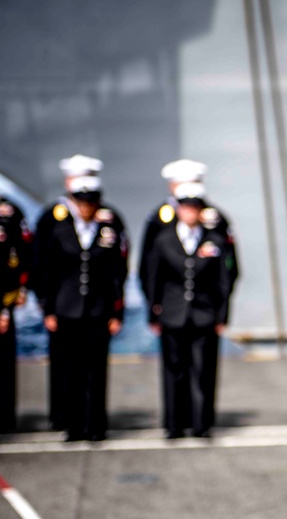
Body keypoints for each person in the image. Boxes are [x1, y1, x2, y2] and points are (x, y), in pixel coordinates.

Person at [36, 170, 128, 442]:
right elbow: (48, 272)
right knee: (70, 370)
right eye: (81, 200)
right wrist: (48, 309)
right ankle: (73, 426)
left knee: (96, 370)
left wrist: (116, 311)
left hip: (98, 311)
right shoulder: (60, 230)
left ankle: (96, 425)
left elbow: (117, 274)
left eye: (91, 200)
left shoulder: (108, 230)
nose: (87, 206)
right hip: (67, 310)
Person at [145, 181, 236, 439]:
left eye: (195, 207)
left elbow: (224, 281)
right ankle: (174, 424)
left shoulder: (214, 240)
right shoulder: (164, 240)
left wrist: (222, 315)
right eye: (186, 207)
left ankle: (201, 424)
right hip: (173, 314)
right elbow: (154, 278)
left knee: (203, 371)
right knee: (174, 370)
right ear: (178, 209)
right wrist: (153, 313)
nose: (191, 212)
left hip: (204, 315)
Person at [139, 159, 238, 310]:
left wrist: (221, 305)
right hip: (170, 306)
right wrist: (153, 302)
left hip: (207, 307)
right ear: (171, 186)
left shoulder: (215, 219)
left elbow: (229, 266)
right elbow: (148, 265)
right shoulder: (160, 219)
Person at [0, 194, 32, 433]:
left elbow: (22, 253)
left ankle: (5, 419)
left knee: (4, 365)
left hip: (3, 301)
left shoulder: (10, 211)